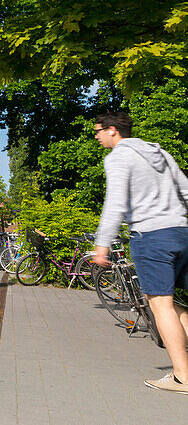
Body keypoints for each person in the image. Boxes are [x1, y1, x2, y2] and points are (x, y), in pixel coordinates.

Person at [91, 111, 188, 394]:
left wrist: (102, 243)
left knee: (161, 304)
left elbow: (116, 201)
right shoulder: (162, 154)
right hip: (181, 232)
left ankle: (182, 376)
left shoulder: (119, 157)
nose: (96, 136)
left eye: (98, 131)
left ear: (112, 131)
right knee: (169, 304)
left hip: (152, 236)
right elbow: (186, 190)